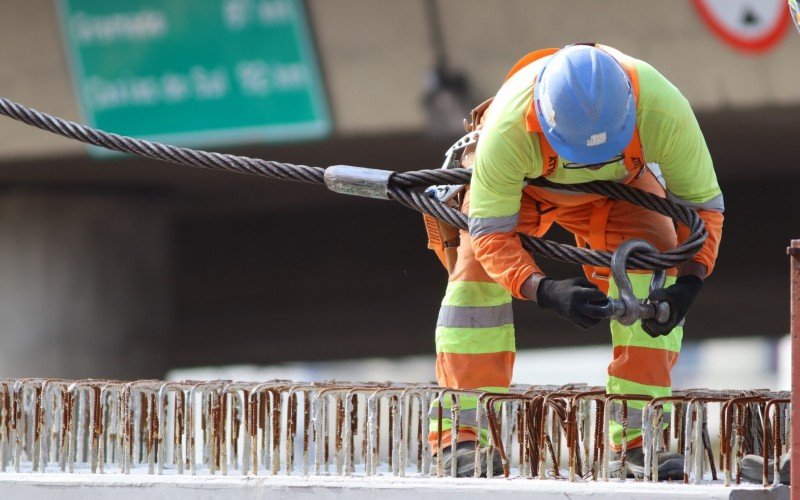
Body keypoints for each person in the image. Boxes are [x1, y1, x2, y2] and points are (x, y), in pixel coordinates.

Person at [430, 43, 724, 479]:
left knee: (653, 257)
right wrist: (544, 289)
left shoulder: (662, 109)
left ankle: (636, 441)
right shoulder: (509, 127)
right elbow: (492, 234)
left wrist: (689, 283)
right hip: (526, 190)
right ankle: (462, 437)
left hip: (621, 186)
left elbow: (703, 210)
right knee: (475, 272)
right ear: (544, 123)